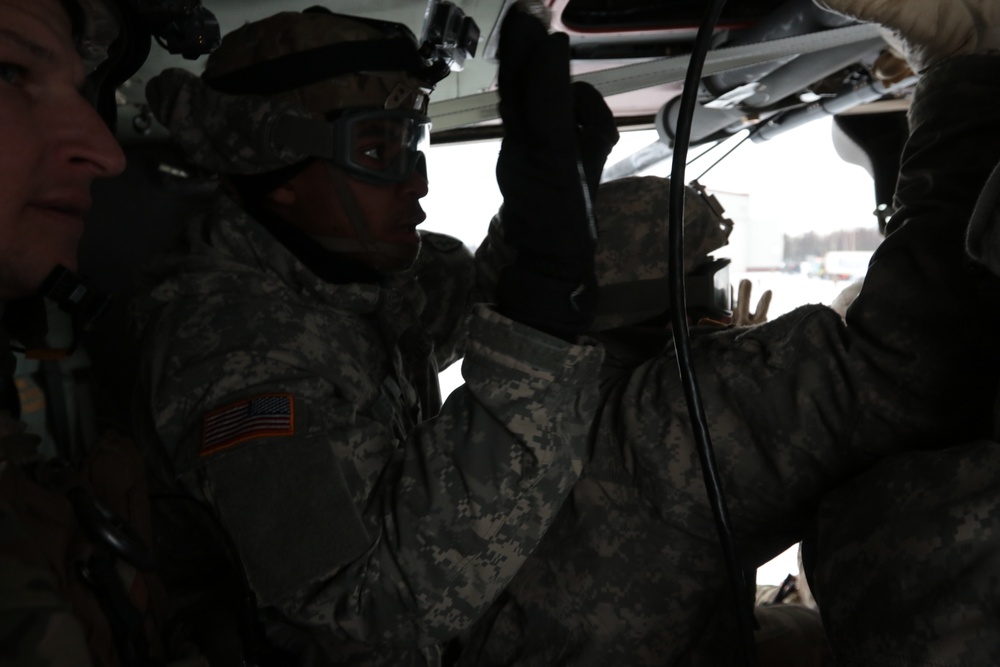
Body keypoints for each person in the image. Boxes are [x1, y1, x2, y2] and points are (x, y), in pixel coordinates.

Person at [457, 0, 1000, 663]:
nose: (715, 315)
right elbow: (896, 369)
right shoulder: (658, 425)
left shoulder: (519, 424)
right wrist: (960, 67)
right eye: (700, 283)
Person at [129, 4, 609, 665]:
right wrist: (544, 315)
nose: (417, 184)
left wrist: (542, 218)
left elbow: (467, 304)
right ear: (278, 167)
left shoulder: (341, 267)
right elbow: (369, 601)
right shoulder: (226, 344)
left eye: (413, 144)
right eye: (379, 150)